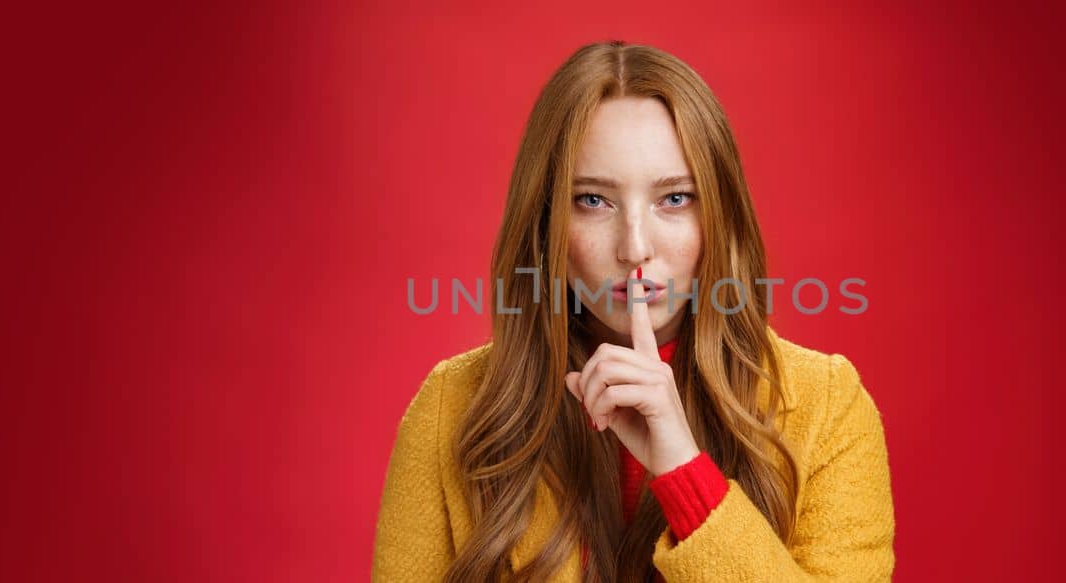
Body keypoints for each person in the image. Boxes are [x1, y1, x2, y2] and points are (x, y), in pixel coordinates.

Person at [373, 40, 894, 582]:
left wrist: (685, 473)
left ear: (719, 215)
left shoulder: (827, 407)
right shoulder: (452, 411)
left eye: (674, 199)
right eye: (593, 200)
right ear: (546, 220)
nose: (635, 247)